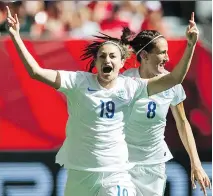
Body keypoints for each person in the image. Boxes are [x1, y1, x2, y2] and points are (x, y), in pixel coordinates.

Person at [6, 5, 196, 196]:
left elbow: (173, 79)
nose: (107, 60)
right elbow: (36, 72)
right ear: (95, 62)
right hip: (80, 172)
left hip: (116, 174)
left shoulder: (130, 86)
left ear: (121, 63)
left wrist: (190, 45)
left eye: (113, 56)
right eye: (102, 56)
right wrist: (16, 37)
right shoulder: (77, 81)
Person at [122, 12, 211, 196]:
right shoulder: (124, 83)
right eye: (162, 52)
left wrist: (196, 163)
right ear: (145, 55)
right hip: (122, 164)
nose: (167, 58)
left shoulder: (171, 85)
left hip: (153, 167)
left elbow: (182, 122)